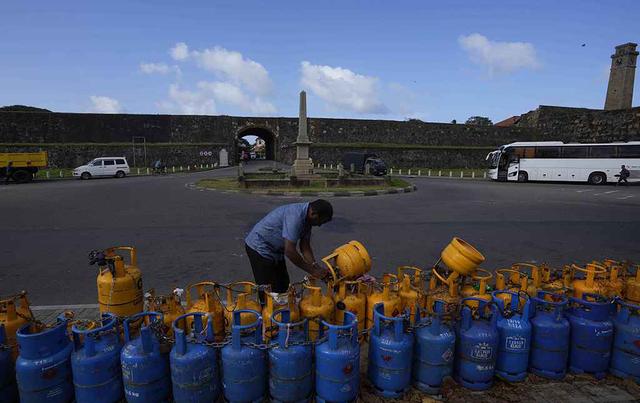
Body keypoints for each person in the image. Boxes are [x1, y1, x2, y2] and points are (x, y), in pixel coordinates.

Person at [244, 200, 333, 295]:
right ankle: (266, 308)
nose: (319, 225)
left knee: (283, 287)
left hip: (276, 252)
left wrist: (316, 267)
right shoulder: (295, 216)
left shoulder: (308, 220)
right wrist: (312, 271)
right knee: (268, 292)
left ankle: (281, 308)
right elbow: (290, 251)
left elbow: (305, 247)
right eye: (320, 221)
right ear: (313, 213)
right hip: (259, 248)